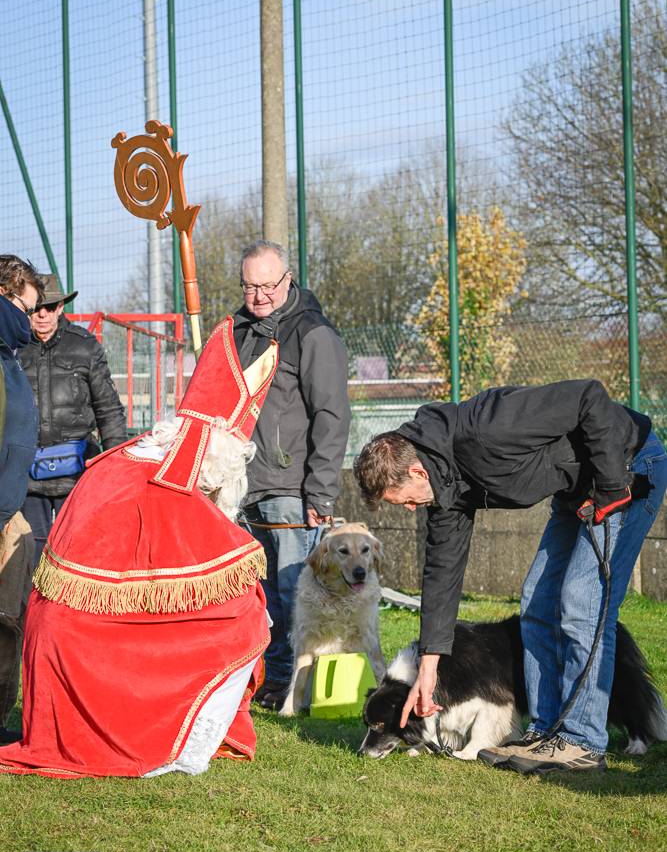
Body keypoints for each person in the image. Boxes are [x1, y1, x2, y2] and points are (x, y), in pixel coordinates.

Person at [0, 318, 279, 778]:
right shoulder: (170, 482)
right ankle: (174, 733)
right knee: (247, 618)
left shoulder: (129, 459)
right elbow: (220, 565)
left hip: (62, 635)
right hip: (87, 640)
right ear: (218, 457)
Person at [353, 380, 667, 774]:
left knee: (580, 604)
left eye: (409, 500)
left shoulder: (487, 428)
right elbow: (441, 576)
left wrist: (609, 486)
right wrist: (428, 667)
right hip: (577, 492)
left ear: (417, 471)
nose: (414, 509)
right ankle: (547, 731)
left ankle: (583, 743)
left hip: (626, 469)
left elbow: (588, 397)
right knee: (536, 604)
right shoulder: (444, 486)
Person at [233, 240, 351, 709]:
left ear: (287, 280)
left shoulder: (314, 334)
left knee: (294, 593)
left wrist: (319, 493)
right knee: (258, 597)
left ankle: (298, 685)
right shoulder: (240, 330)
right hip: (244, 485)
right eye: (249, 286)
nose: (258, 295)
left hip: (292, 488)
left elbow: (332, 417)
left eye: (267, 285)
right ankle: (272, 678)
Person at [20, 274, 127, 568]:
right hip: (27, 474)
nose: (42, 314)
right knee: (29, 554)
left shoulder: (84, 346)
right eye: (35, 308)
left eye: (50, 307)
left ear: (61, 308)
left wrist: (115, 464)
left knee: (79, 550)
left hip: (78, 471)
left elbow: (108, 409)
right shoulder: (12, 349)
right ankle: (31, 614)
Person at [0, 256, 42, 744]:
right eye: (26, 310)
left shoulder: (9, 353)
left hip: (10, 507)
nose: (32, 323)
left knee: (8, 618)